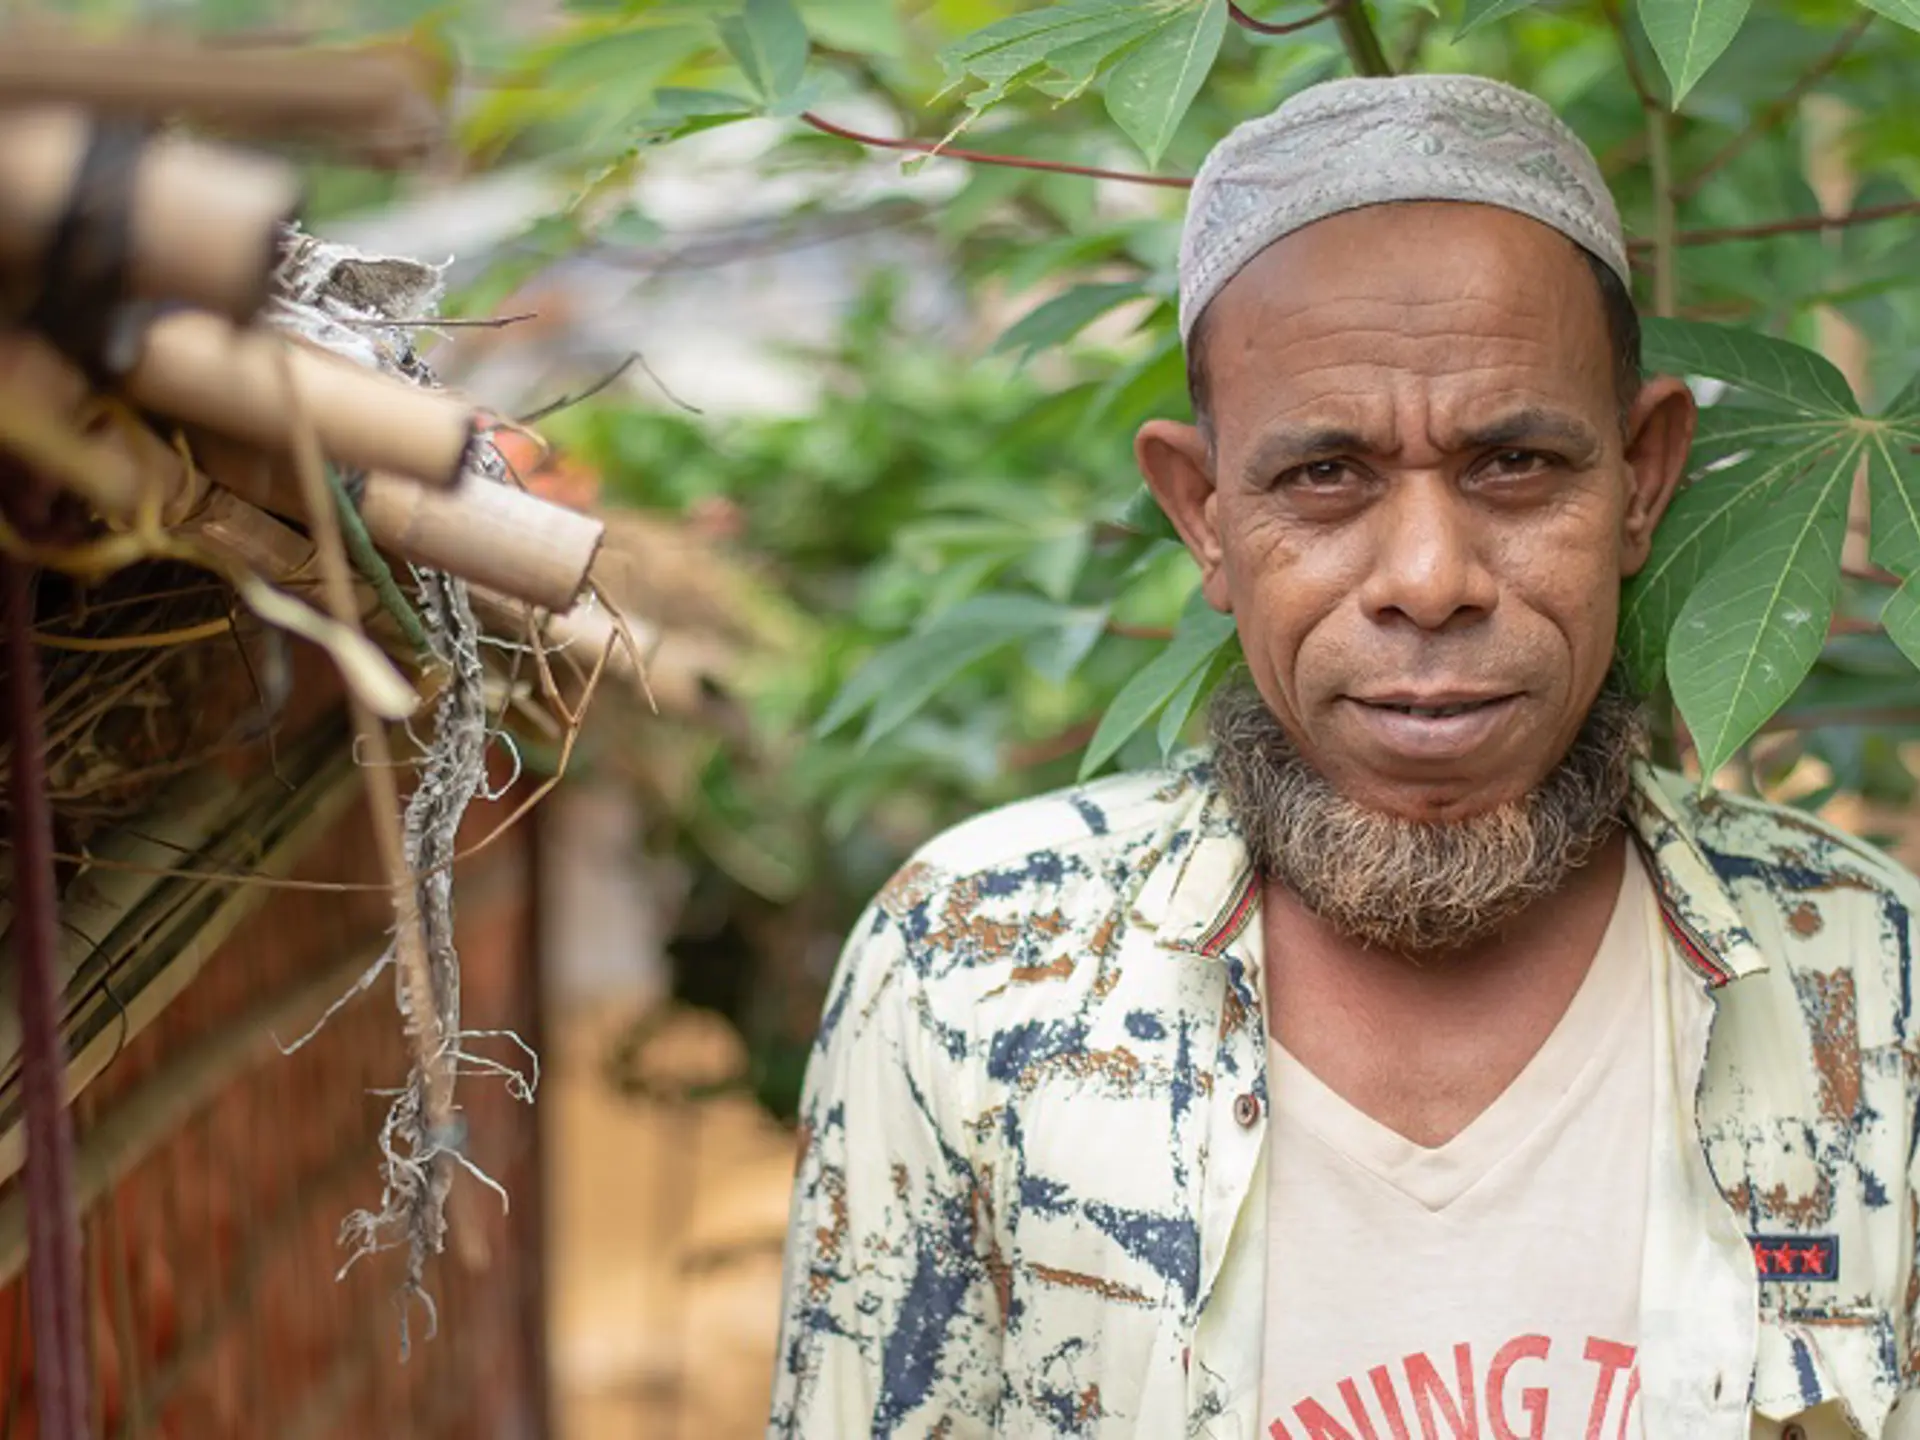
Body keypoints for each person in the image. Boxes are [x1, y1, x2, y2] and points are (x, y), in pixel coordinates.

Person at [767, 74, 1920, 1440]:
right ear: (1203, 515)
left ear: (1644, 480)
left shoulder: (1871, 984)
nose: (1429, 581)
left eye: (1514, 464)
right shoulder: (973, 971)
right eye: (1325, 477)